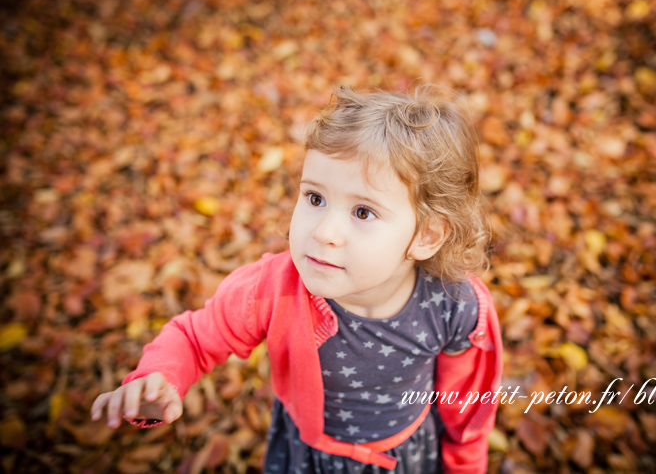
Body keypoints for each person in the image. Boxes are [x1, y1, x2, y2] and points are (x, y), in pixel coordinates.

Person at [91, 85, 503, 473]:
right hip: (308, 456)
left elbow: (467, 405)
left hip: (408, 453)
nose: (323, 231)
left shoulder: (455, 308)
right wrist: (159, 377)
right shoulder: (275, 289)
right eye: (315, 198)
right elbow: (196, 336)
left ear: (426, 235)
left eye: (363, 212)